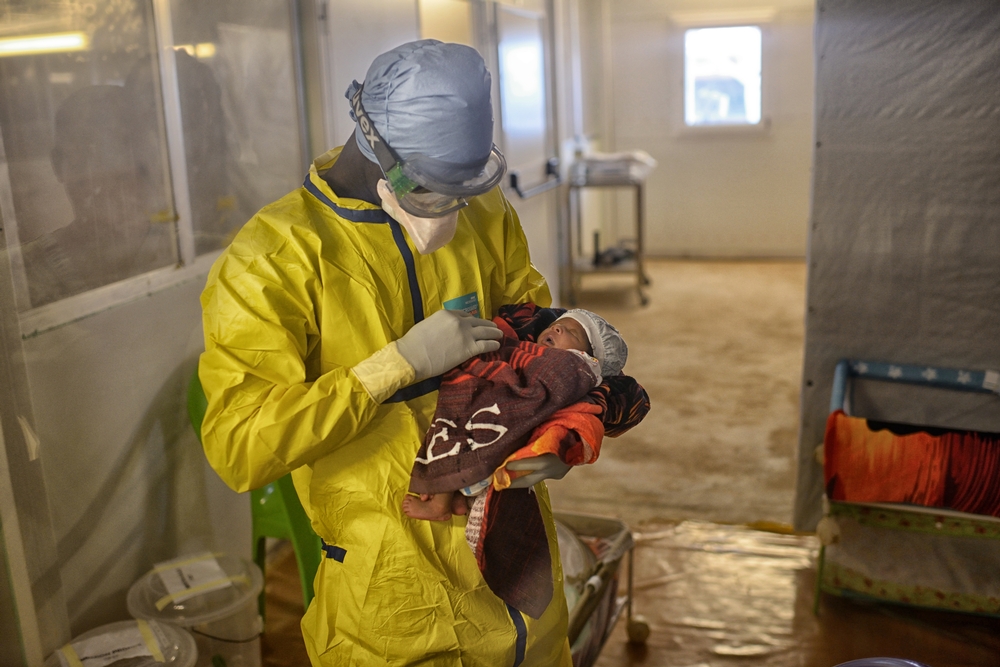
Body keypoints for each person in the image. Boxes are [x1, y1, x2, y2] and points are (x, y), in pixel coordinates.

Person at [198, 40, 574, 665]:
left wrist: (553, 437)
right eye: (433, 186)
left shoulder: (482, 211)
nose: (453, 209)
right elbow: (240, 446)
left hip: (516, 560)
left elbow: (539, 337)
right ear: (376, 144)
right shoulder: (272, 259)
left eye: (464, 187)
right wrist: (391, 367)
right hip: (394, 598)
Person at [402, 308, 629, 523]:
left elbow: (538, 390)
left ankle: (441, 501)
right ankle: (457, 494)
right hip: (402, 436)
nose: (558, 328)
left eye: (573, 332)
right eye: (556, 325)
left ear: (587, 356)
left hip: (503, 419)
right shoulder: (526, 342)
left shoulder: (573, 367)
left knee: (460, 430)